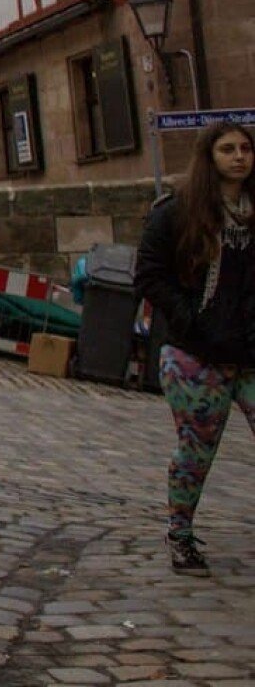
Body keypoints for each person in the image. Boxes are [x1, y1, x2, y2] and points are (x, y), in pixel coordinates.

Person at [134, 120, 253, 577]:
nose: (239, 156)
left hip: (249, 350)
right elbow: (149, 274)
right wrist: (189, 318)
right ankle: (180, 534)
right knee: (196, 449)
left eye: (245, 148)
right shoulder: (176, 212)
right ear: (210, 157)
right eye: (228, 149)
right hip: (194, 353)